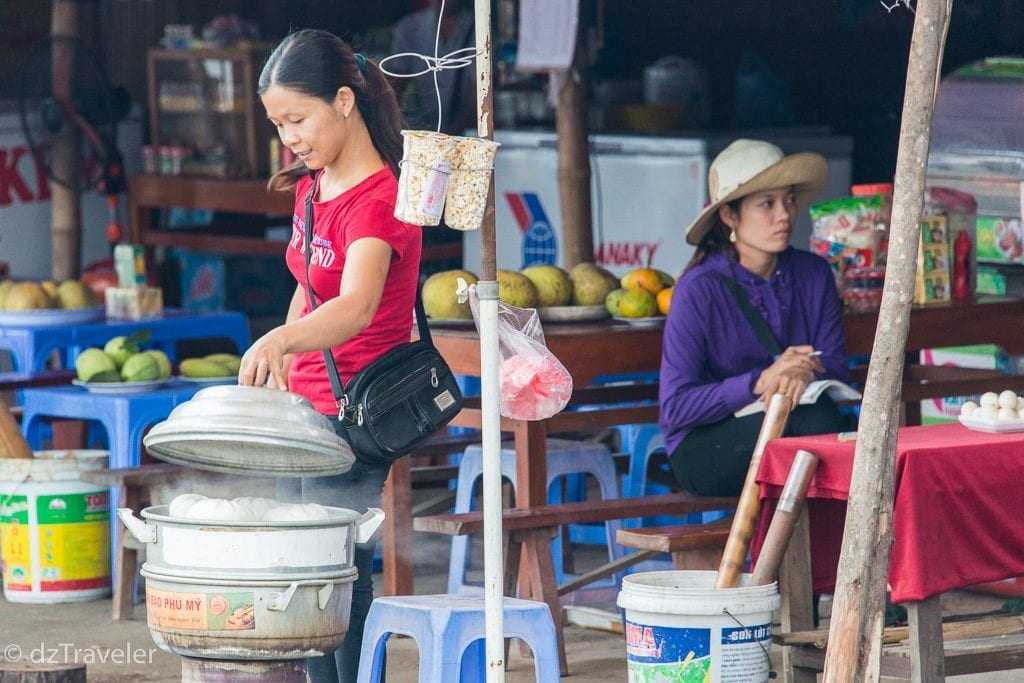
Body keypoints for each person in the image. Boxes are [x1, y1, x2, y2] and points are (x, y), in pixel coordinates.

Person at [238, 29, 421, 683]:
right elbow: (310, 285)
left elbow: (357, 306)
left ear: (344, 101)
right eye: (278, 124)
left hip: (356, 413)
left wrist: (281, 339)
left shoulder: (380, 197)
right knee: (302, 565)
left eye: (297, 119)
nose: (289, 136)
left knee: (338, 570)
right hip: (305, 409)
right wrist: (283, 364)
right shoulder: (312, 187)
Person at [659, 138, 852, 498]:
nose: (785, 214)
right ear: (729, 216)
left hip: (798, 423)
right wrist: (761, 381)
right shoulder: (698, 290)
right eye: (767, 204)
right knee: (813, 427)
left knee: (820, 425)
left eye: (789, 200)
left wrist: (801, 372)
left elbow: (836, 366)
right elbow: (677, 408)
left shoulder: (813, 274)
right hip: (708, 444)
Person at [388, 0, 476, 135]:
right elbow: (395, 88)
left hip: (465, 133)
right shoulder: (409, 28)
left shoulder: (479, 30)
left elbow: (479, 95)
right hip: (423, 130)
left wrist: (452, 135)